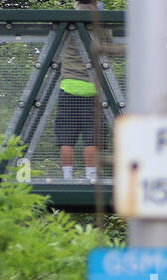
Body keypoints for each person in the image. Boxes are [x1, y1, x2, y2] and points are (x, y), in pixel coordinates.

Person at [56, 0, 119, 182]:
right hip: (93, 88)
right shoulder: (101, 22)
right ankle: (90, 177)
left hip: (68, 84)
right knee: (92, 138)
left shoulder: (66, 20)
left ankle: (67, 178)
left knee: (66, 138)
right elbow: (109, 45)